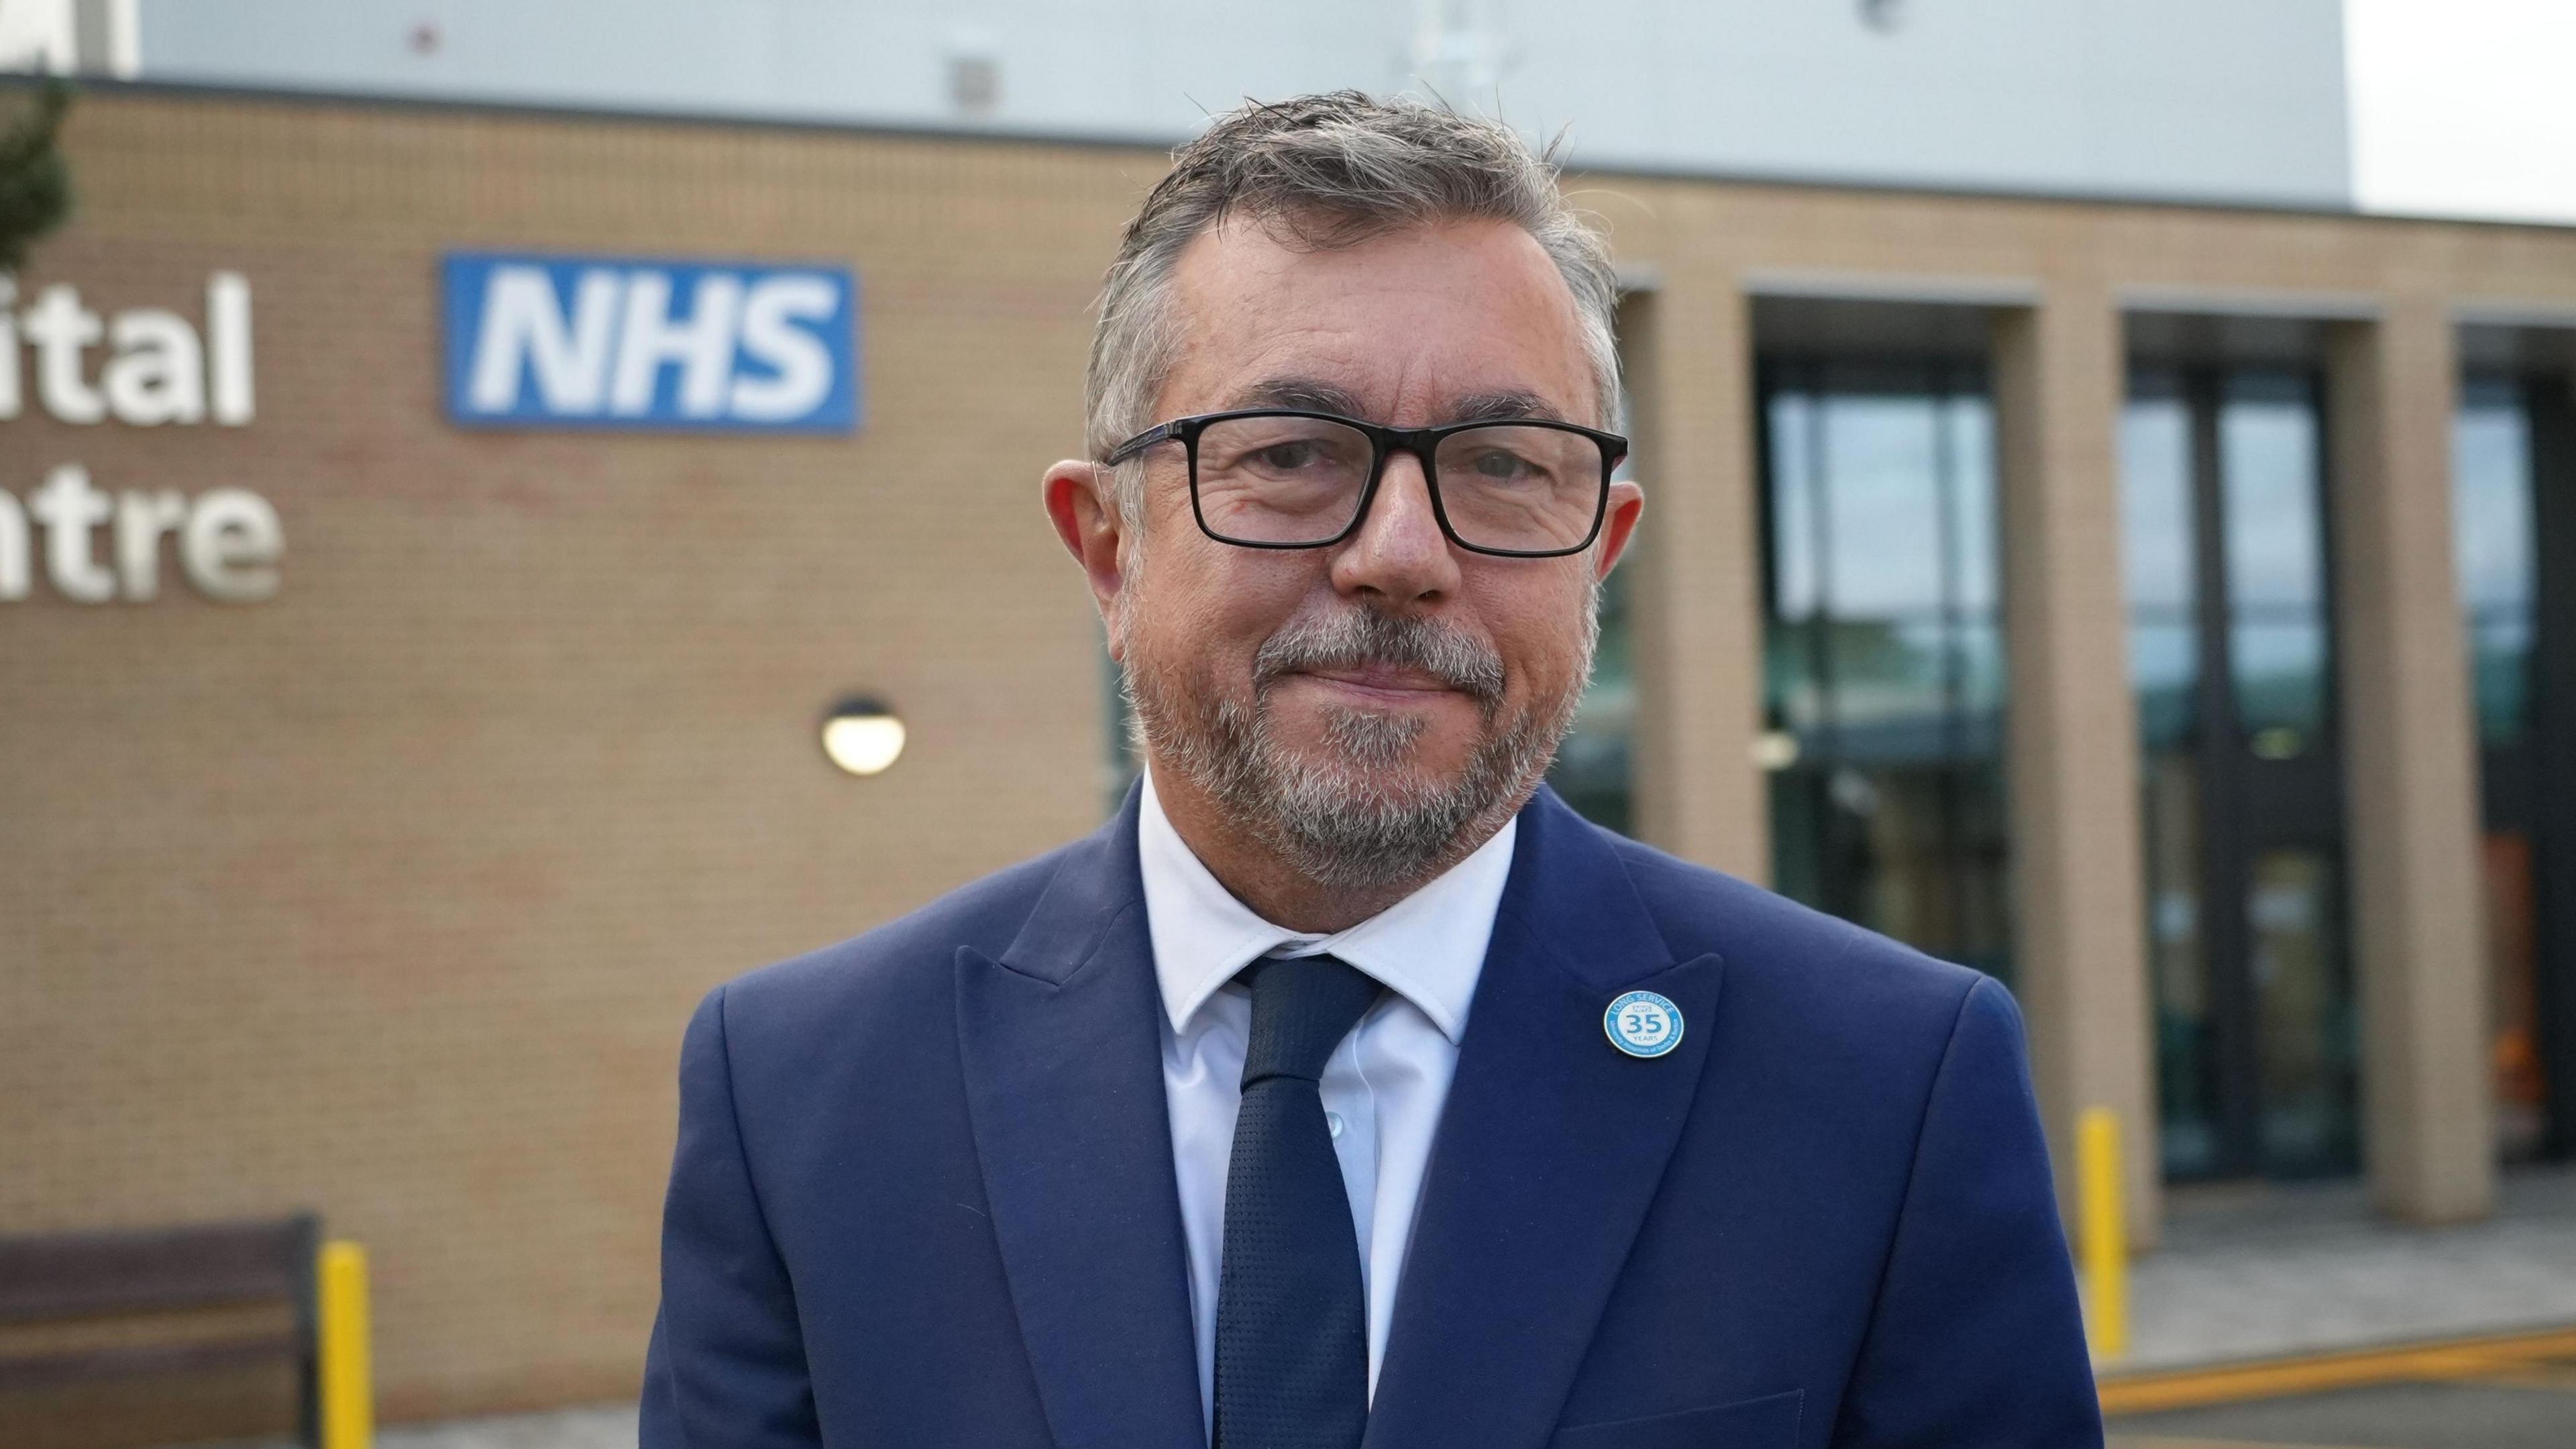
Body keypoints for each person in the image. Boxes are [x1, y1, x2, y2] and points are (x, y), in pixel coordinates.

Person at [643, 91, 2101, 1449]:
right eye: (1290, 451)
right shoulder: (805, 1097)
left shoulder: (1887, 1087)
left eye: (1505, 463)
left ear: (1602, 552)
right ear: (1107, 547)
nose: (1401, 553)